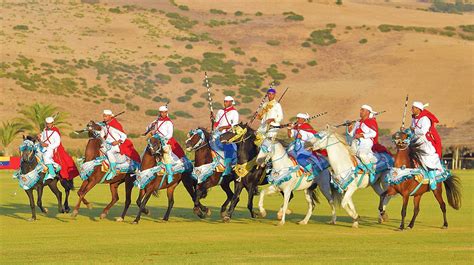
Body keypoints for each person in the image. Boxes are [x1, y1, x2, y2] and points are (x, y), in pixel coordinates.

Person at [145, 105, 187, 182]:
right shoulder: (156, 121)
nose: (163, 114)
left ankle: (170, 173)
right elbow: (147, 128)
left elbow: (170, 134)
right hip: (155, 140)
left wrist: (163, 138)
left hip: (165, 141)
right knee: (147, 150)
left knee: (165, 153)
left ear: (166, 113)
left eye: (164, 112)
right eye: (161, 112)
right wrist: (151, 127)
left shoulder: (169, 122)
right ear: (159, 113)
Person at [411, 101, 443, 190]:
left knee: (427, 156)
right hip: (414, 140)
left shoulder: (425, 119)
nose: (411, 109)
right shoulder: (413, 118)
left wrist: (414, 129)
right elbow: (412, 130)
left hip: (424, 141)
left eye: (413, 108)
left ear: (418, 109)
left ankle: (432, 177)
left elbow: (422, 132)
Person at [102, 110, 140, 180]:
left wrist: (117, 142)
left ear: (110, 117)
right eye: (103, 116)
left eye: (106, 116)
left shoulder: (115, 125)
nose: (104, 118)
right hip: (108, 144)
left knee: (109, 152)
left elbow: (124, 135)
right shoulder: (105, 126)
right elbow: (102, 135)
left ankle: (113, 171)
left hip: (117, 145)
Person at [287, 113, 328, 177]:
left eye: (299, 118)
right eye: (297, 118)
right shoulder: (295, 127)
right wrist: (289, 129)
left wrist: (302, 138)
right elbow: (290, 136)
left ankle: (311, 172)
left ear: (303, 119)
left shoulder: (307, 127)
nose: (298, 119)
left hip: (305, 147)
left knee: (300, 159)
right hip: (295, 145)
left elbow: (313, 139)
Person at [347, 105, 379, 183]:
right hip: (356, 142)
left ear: (368, 112)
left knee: (362, 154)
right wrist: (350, 127)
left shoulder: (371, 121)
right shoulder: (358, 122)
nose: (360, 111)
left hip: (366, 142)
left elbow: (374, 133)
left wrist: (362, 135)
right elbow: (352, 134)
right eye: (360, 110)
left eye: (362, 110)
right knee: (348, 154)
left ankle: (371, 171)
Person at [211, 96, 239, 176]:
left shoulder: (234, 113)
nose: (225, 103)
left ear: (231, 102)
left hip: (227, 134)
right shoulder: (220, 111)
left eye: (227, 101)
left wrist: (223, 127)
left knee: (228, 148)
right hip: (217, 133)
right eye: (224, 101)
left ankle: (228, 168)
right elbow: (216, 123)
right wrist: (213, 120)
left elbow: (234, 126)